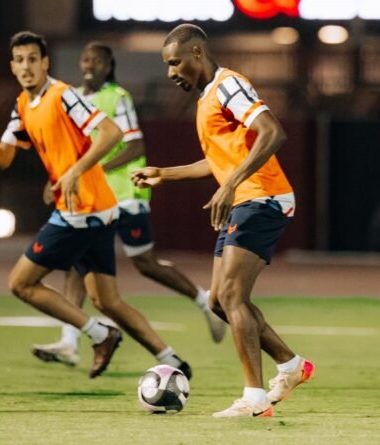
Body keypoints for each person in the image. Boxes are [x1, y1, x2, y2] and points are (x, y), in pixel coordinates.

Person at [0, 31, 191, 379]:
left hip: (83, 211)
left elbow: (112, 133)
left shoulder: (64, 95)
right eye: (19, 60)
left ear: (45, 63)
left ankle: (100, 334)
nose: (26, 67)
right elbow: (5, 156)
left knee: (21, 283)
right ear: (12, 66)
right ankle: (174, 362)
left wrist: (74, 172)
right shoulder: (22, 105)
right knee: (107, 300)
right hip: (92, 209)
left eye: (32, 59)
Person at [131, 24, 314, 417]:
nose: (170, 72)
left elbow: (273, 132)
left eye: (175, 62)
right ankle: (291, 365)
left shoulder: (229, 85)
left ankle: (254, 399)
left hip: (263, 196)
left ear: (197, 53)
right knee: (219, 301)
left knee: (231, 297)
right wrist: (164, 173)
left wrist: (231, 183)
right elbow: (217, 162)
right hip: (246, 197)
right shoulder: (205, 100)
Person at [31, 41, 225, 368]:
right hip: (92, 201)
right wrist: (60, 180)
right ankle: (68, 342)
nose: (89, 64)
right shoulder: (73, 97)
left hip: (125, 196)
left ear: (108, 67)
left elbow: (135, 146)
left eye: (97, 60)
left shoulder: (117, 97)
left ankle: (203, 300)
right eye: (85, 58)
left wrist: (94, 170)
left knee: (145, 263)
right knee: (78, 262)